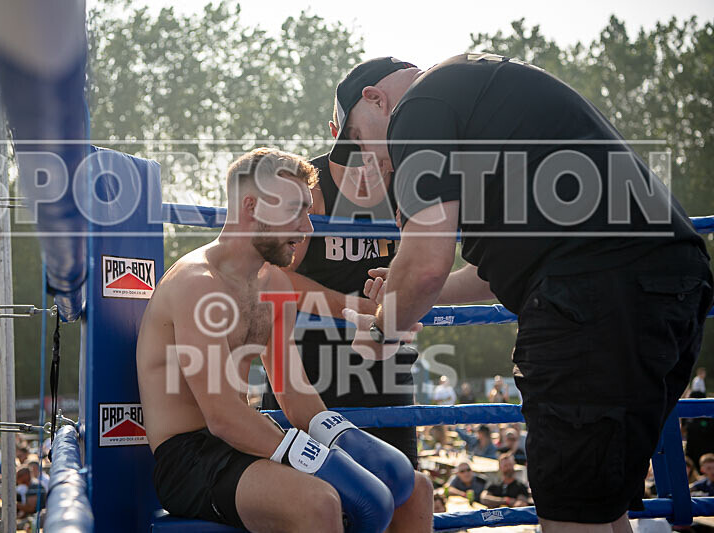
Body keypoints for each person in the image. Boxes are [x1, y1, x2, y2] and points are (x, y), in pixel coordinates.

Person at [334, 55, 714, 532]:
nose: (370, 159)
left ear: (375, 99)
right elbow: (493, 271)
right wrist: (407, 286)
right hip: (666, 284)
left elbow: (427, 262)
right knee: (599, 505)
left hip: (593, 294)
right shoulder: (482, 106)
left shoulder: (416, 107)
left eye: (357, 140)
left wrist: (381, 332)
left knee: (571, 513)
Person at [136, 148, 431, 532]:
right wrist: (313, 458)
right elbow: (222, 415)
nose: (307, 228)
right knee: (318, 503)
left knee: (414, 487)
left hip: (241, 440)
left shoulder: (272, 284)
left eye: (308, 211)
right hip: (191, 456)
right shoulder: (197, 286)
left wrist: (342, 436)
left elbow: (294, 394)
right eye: (296, 210)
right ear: (250, 206)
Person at [260, 123, 422, 471]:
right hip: (307, 365)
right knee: (312, 500)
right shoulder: (313, 190)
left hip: (386, 363)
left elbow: (430, 269)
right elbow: (271, 274)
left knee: (405, 487)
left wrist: (403, 300)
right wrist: (357, 308)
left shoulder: (413, 184)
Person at [683, 391, 714, 470]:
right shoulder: (686, 415)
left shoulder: (710, 416)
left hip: (708, 457)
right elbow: (683, 430)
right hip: (691, 455)